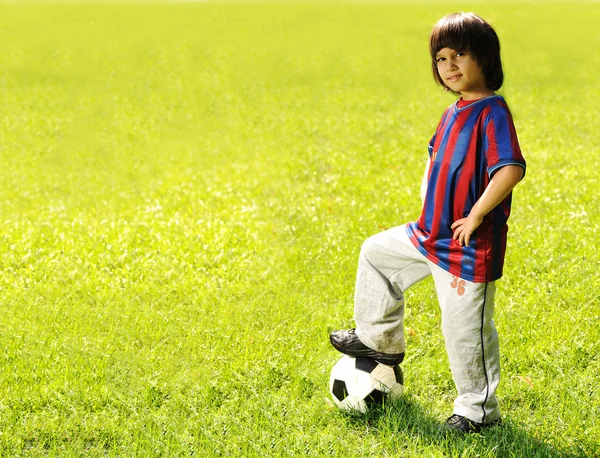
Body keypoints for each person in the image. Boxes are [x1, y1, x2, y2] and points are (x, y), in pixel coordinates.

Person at [330, 12, 526, 433]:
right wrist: (426, 206)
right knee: (376, 253)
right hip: (427, 236)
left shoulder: (492, 112)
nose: (450, 65)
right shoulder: (453, 110)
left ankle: (477, 411)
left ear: (485, 58)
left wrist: (474, 216)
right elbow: (435, 158)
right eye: (441, 58)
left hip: (467, 249)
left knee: (464, 333)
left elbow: (509, 170)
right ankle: (378, 338)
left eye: (460, 54)